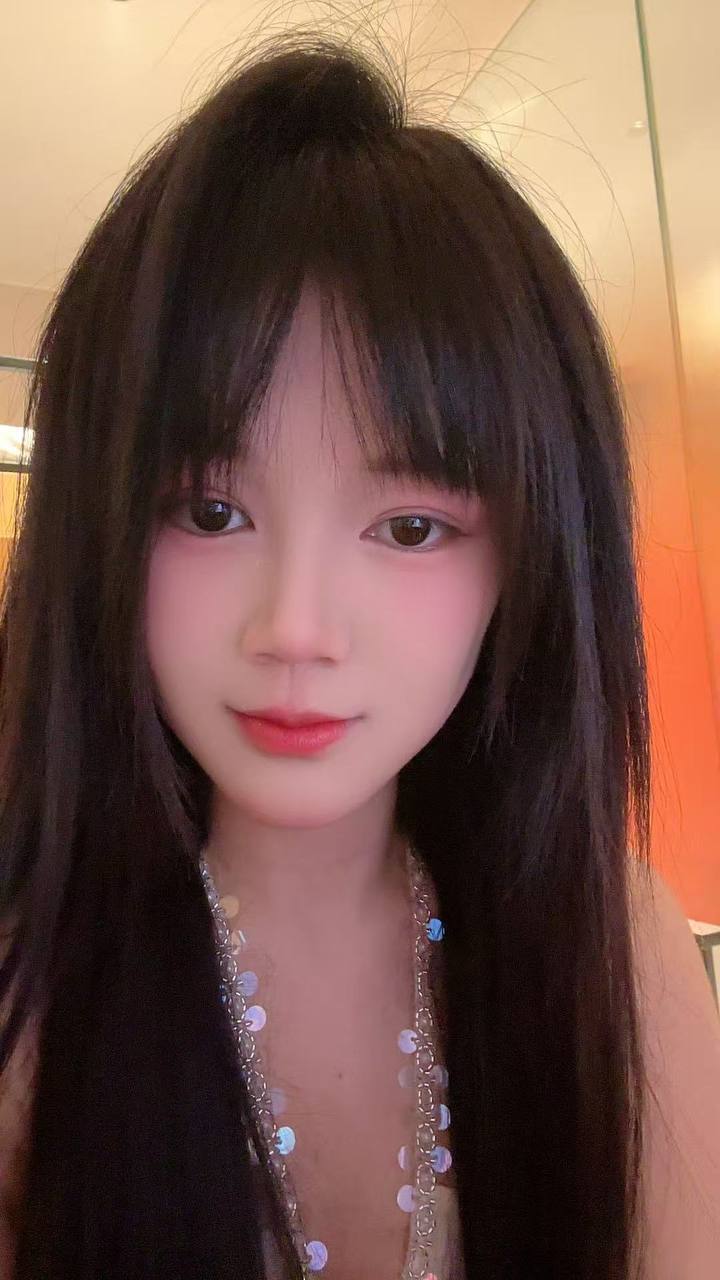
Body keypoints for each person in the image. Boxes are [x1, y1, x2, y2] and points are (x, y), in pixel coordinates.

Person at [0, 26, 718, 1280]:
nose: (296, 627)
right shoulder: (29, 991)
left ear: (530, 560)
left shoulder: (619, 957)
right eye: (209, 510)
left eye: (410, 526)